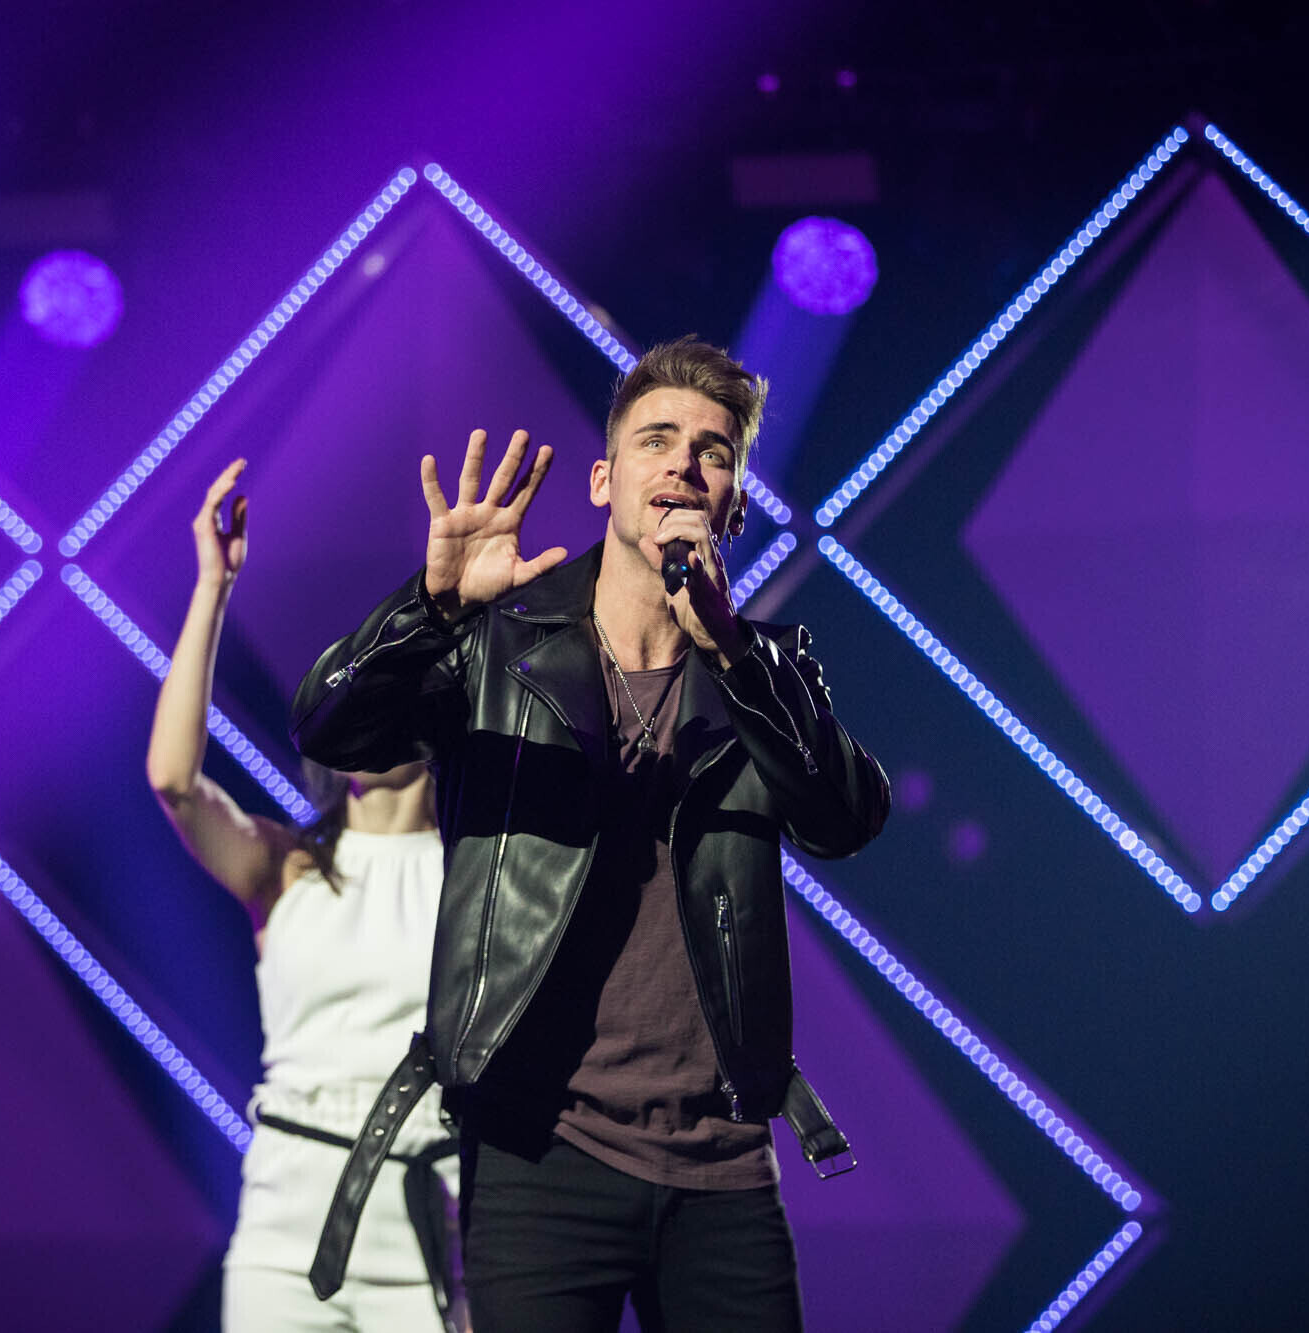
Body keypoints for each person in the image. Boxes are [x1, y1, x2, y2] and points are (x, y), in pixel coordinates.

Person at [291, 337, 890, 1331]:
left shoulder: (765, 673)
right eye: (656, 439)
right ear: (605, 480)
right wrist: (430, 608)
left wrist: (733, 657)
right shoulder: (498, 646)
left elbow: (844, 819)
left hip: (721, 1164)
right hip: (540, 1150)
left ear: (733, 505)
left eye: (711, 450)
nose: (683, 462)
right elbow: (328, 726)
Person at [147, 459, 462, 1333]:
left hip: (432, 1227)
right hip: (286, 1232)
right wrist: (213, 587)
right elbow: (173, 780)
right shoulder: (285, 866)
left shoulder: (480, 871)